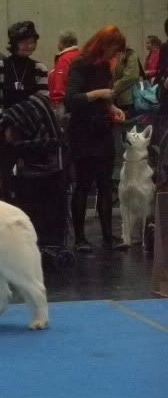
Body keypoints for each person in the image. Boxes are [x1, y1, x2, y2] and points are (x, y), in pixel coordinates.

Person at [65, 26, 128, 252]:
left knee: (105, 185)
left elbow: (105, 99)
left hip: (102, 131)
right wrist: (100, 94)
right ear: (103, 45)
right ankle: (80, 238)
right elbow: (71, 100)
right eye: (114, 49)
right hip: (82, 133)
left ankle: (108, 236)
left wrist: (113, 108)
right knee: (82, 186)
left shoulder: (105, 67)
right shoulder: (80, 65)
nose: (115, 54)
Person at [0, 20, 49, 200]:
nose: (29, 45)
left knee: (31, 185)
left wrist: (24, 125)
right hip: (4, 132)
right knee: (6, 181)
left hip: (31, 134)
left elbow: (42, 102)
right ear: (14, 43)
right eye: (24, 41)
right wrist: (5, 124)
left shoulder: (39, 69)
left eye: (32, 41)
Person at [48, 29, 80, 113]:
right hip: (77, 105)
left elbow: (60, 83)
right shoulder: (80, 55)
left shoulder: (64, 59)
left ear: (63, 43)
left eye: (59, 42)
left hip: (64, 107)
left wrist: (56, 106)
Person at [112, 46, 141, 118]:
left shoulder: (130, 54)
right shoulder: (115, 54)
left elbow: (131, 76)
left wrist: (114, 88)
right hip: (117, 97)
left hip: (129, 98)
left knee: (130, 121)